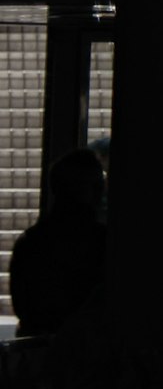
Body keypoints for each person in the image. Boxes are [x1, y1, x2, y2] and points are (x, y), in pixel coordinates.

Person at [9, 145, 105, 342]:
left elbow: (25, 307)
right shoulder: (101, 242)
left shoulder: (31, 241)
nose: (101, 194)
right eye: (96, 186)